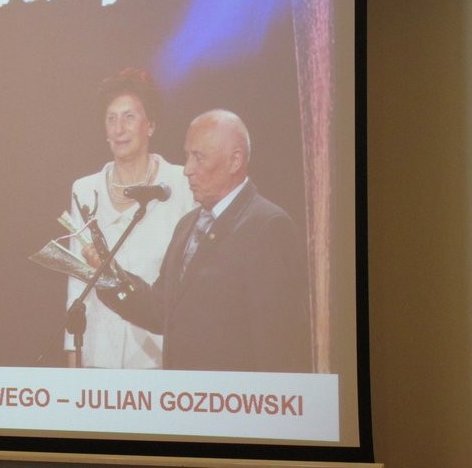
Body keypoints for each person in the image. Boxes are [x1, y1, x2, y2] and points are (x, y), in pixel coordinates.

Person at [98, 109, 313, 372]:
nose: (187, 169)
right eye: (187, 156)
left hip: (235, 395)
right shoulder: (187, 225)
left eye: (199, 157)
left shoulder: (267, 227)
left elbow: (279, 344)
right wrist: (110, 278)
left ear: (234, 161)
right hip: (184, 393)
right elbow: (162, 310)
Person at [65, 69, 195, 369]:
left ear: (150, 125)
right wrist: (73, 363)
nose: (119, 128)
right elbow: (76, 281)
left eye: (129, 117)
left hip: (156, 356)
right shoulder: (84, 190)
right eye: (111, 119)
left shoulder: (180, 184)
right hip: (97, 355)